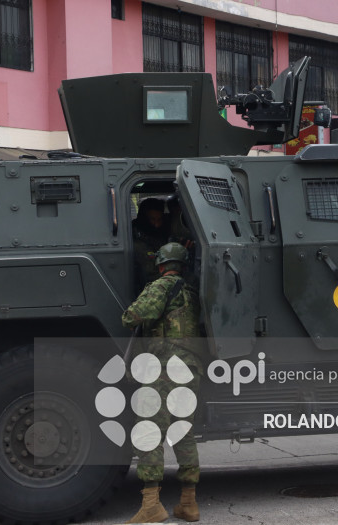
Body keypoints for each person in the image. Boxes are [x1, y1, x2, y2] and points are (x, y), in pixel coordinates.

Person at [122, 242, 204, 523]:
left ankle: (152, 505)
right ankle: (188, 503)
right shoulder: (193, 292)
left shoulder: (161, 286)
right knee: (184, 432)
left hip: (164, 367)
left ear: (160, 265)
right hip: (190, 368)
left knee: (149, 431)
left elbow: (132, 316)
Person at [133, 198, 170, 288]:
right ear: (144, 218)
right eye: (152, 219)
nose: (156, 224)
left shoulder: (158, 234)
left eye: (159, 220)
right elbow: (152, 276)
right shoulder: (137, 242)